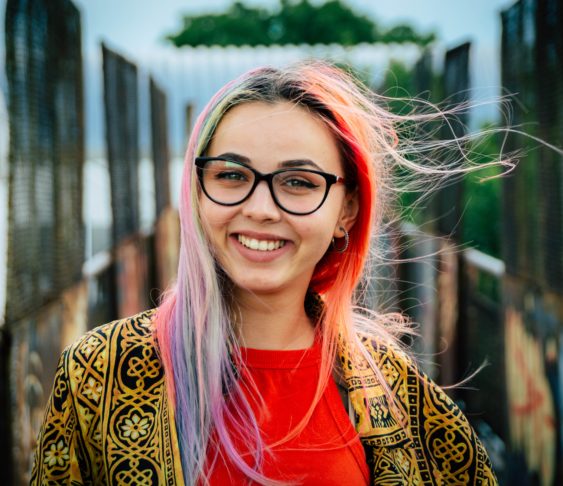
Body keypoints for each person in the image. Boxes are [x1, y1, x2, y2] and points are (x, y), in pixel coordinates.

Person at [31, 61, 498, 485]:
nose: (260, 209)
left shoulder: (396, 389)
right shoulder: (97, 373)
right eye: (231, 175)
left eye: (298, 183)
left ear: (347, 210)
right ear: (196, 191)